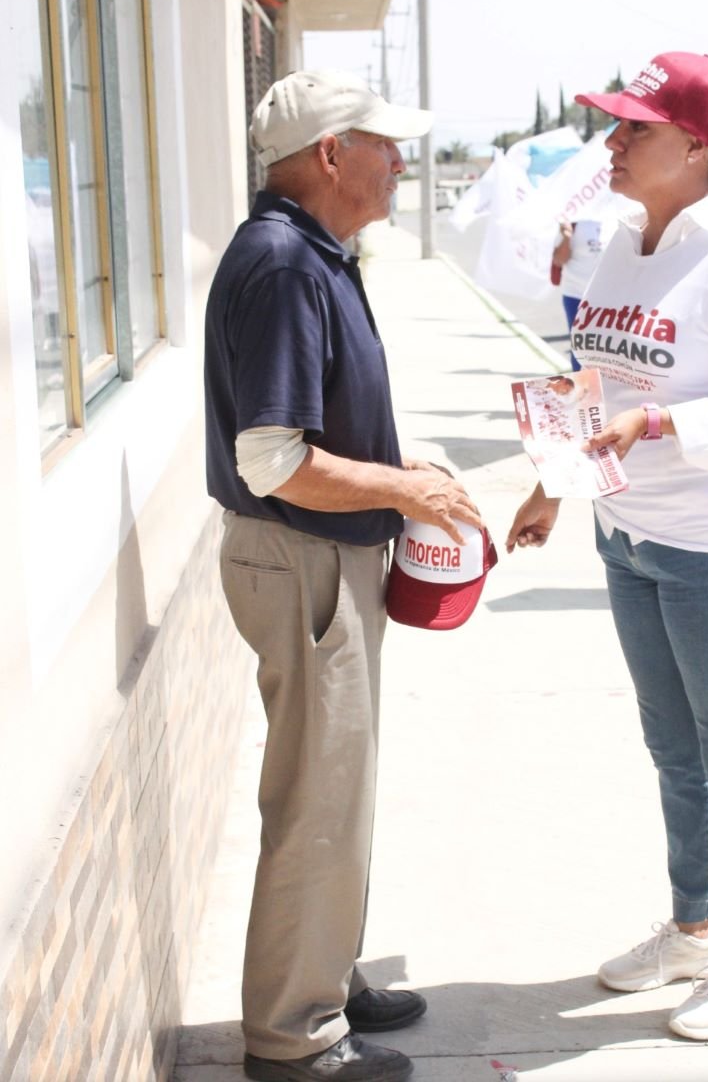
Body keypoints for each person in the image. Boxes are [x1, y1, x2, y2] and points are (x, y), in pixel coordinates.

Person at [506, 52, 708, 1042]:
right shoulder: (624, 244)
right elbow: (594, 374)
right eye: (615, 124)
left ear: (695, 146)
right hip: (630, 530)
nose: (612, 143)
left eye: (632, 128)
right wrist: (553, 488)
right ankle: (691, 927)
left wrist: (660, 429)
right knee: (672, 747)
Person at [204, 69, 482, 1082]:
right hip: (304, 556)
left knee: (339, 786)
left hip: (320, 557)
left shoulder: (310, 251)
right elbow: (272, 457)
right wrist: (406, 493)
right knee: (318, 797)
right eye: (384, 144)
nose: (400, 162)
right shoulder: (285, 263)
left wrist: (400, 477)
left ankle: (325, 968)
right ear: (330, 155)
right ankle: (294, 1035)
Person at [550, 219, 604, 368]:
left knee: (606, 352)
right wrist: (567, 237)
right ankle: (583, 390)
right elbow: (559, 260)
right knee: (580, 351)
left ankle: (601, 389)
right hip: (576, 295)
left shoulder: (619, 216)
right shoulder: (574, 220)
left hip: (608, 297)